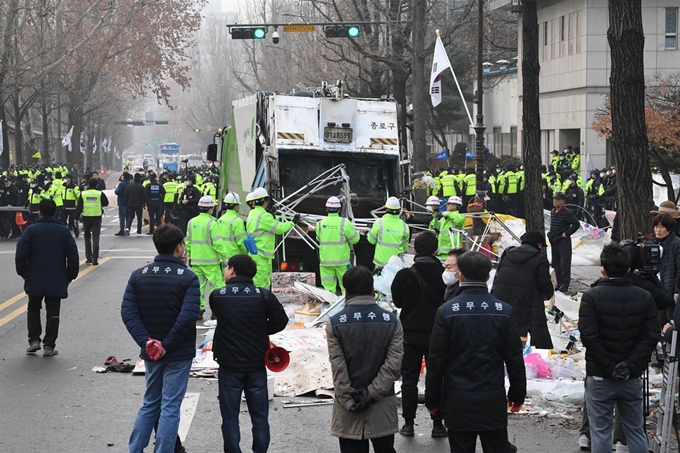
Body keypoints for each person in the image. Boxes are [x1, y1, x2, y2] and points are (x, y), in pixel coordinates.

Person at [426, 251, 526, 453]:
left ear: (460, 275)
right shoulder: (504, 311)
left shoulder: (446, 311)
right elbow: (514, 358)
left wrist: (433, 400)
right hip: (492, 397)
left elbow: (436, 360)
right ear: (487, 276)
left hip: (457, 399)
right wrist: (517, 394)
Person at [121, 224, 199, 453]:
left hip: (151, 353)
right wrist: (166, 346)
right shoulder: (188, 278)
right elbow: (188, 317)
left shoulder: (138, 276)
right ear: (178, 248)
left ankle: (135, 449)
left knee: (150, 403)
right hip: (178, 352)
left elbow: (128, 312)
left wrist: (147, 341)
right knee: (171, 406)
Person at [578, 243, 659, 453]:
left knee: (601, 432)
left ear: (602, 269)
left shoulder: (591, 296)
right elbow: (650, 336)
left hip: (599, 375)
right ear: (629, 269)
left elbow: (589, 337)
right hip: (632, 376)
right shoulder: (645, 297)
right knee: (635, 430)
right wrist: (630, 365)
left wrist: (609, 365)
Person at [209, 254, 289, 453]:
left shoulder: (218, 296)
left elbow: (223, 317)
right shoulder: (263, 295)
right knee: (260, 416)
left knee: (229, 417)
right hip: (256, 365)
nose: (225, 271)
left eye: (226, 267)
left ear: (233, 270)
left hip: (229, 366)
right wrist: (260, 329)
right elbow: (281, 321)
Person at [326, 266, 403, 453]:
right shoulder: (392, 320)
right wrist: (371, 394)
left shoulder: (335, 322)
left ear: (346, 291)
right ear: (372, 289)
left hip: (348, 407)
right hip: (382, 405)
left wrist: (348, 400)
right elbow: (393, 365)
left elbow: (338, 367)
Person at [390, 232, 447, 438]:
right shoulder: (444, 275)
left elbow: (397, 302)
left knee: (409, 379)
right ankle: (438, 423)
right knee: (436, 377)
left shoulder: (404, 275)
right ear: (436, 251)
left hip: (409, 334)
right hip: (437, 334)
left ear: (414, 251)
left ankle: (408, 423)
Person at [16, 199, 79, 356]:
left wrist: (23, 273)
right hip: (57, 277)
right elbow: (73, 255)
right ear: (56, 212)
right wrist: (70, 275)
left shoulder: (30, 230)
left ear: (39, 212)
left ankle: (34, 340)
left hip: (34, 276)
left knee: (33, 308)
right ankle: (49, 345)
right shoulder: (63, 231)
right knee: (53, 312)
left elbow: (21, 255)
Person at [492, 231, 555, 349]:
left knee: (505, 331)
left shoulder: (507, 254)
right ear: (539, 245)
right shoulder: (540, 259)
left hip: (502, 299)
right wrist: (548, 294)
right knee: (520, 332)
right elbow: (544, 283)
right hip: (526, 301)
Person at [185, 196, 227, 319]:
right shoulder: (212, 223)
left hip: (196, 261)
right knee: (216, 287)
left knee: (198, 287)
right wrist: (225, 257)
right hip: (211, 262)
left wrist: (190, 255)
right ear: (210, 209)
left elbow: (188, 241)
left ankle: (198, 310)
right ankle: (216, 312)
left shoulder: (192, 222)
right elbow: (217, 243)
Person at [246, 187, 296, 288]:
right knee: (261, 285)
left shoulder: (253, 213)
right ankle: (260, 303)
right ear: (265, 200)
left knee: (260, 282)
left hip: (256, 253)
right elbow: (279, 228)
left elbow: (268, 223)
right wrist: (293, 222)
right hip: (262, 255)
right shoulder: (264, 216)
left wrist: (275, 217)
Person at [316, 196, 360, 293]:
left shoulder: (319, 224)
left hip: (326, 262)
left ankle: (329, 306)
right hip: (342, 262)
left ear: (326, 209)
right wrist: (356, 231)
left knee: (328, 290)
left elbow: (319, 238)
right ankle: (345, 305)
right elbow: (354, 240)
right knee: (346, 287)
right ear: (339, 209)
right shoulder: (345, 223)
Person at [548, 192, 581, 294]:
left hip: (563, 241)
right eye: (554, 199)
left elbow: (576, 223)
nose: (555, 201)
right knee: (555, 263)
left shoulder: (567, 212)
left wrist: (567, 233)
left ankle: (565, 284)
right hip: (554, 240)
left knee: (564, 263)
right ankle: (558, 282)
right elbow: (552, 224)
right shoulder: (552, 211)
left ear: (563, 201)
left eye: (557, 199)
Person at [650, 213, 680, 324]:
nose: (658, 230)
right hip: (658, 289)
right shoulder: (654, 244)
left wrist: (677, 290)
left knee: (671, 321)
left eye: (662, 227)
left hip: (670, 289)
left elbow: (679, 269)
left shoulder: (676, 244)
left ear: (669, 228)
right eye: (656, 226)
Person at [367, 197, 410, 268]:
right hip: (397, 265)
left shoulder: (379, 223)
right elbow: (405, 248)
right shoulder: (404, 226)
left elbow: (371, 240)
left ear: (386, 209)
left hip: (380, 265)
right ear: (399, 210)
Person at [76, 178, 109, 265]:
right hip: (97, 217)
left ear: (88, 185)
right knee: (96, 238)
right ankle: (95, 258)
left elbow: (79, 207)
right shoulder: (99, 193)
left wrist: (75, 218)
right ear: (97, 185)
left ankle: (88, 257)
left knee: (87, 237)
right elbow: (106, 203)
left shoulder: (83, 194)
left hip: (86, 217)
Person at [217, 192, 248, 260]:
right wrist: (247, 252)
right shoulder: (237, 221)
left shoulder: (220, 220)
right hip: (235, 258)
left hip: (222, 257)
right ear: (236, 206)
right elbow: (241, 242)